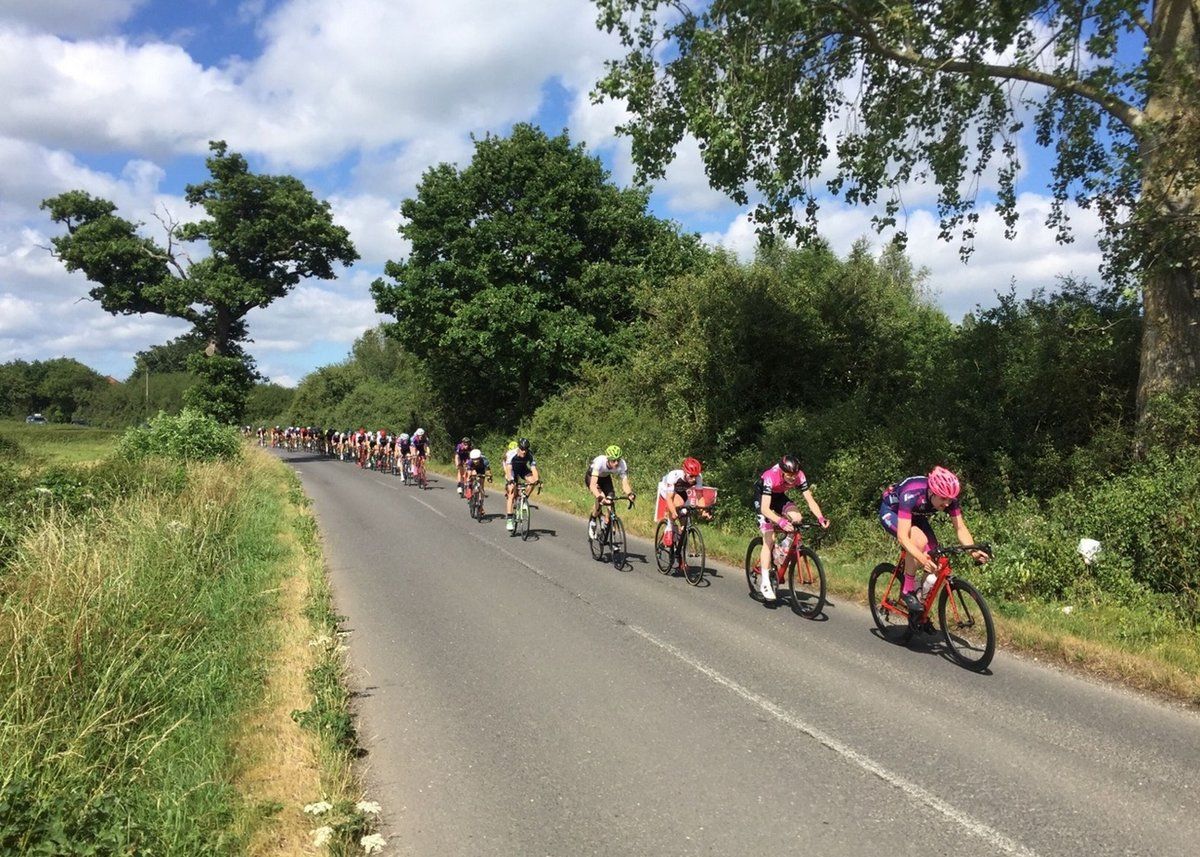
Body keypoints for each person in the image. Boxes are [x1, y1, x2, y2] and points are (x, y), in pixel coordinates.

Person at [879, 466, 988, 616]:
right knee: (918, 540)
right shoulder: (911, 493)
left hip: (916, 515)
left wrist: (973, 551)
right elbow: (903, 537)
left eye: (950, 499)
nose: (947, 503)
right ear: (931, 491)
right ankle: (907, 590)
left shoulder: (949, 498)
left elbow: (960, 528)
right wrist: (922, 559)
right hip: (892, 511)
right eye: (943, 498)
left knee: (935, 556)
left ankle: (919, 603)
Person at [753, 454, 829, 601]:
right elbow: (765, 509)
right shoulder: (771, 476)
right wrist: (780, 521)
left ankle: (782, 548)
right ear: (782, 471)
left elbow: (809, 499)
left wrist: (820, 517)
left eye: (794, 475)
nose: (792, 478)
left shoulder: (799, 476)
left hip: (779, 496)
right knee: (769, 537)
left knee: (797, 518)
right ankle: (765, 582)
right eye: (789, 475)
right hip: (762, 497)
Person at [656, 457, 711, 549]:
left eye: (695, 476)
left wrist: (703, 511)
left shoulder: (698, 477)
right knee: (677, 504)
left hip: (680, 491)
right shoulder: (674, 475)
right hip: (666, 489)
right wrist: (673, 511)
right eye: (691, 476)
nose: (693, 479)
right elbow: (669, 498)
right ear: (684, 472)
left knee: (684, 517)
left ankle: (679, 545)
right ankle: (669, 529)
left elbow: (699, 496)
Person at [586, 444, 635, 537]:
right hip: (592, 477)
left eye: (618, 460)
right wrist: (599, 497)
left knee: (610, 499)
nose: (616, 463)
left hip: (605, 478)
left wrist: (629, 494)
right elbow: (593, 485)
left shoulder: (622, 464)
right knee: (602, 497)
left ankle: (607, 522)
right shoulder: (600, 462)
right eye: (613, 460)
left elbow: (625, 483)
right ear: (608, 459)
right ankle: (593, 519)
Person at [504, 438, 541, 532]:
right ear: (518, 448)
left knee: (532, 481)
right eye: (522, 449)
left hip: (522, 469)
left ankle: (524, 499)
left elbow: (533, 469)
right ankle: (509, 520)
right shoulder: (511, 453)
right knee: (511, 492)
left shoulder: (530, 454)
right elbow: (508, 469)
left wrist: (537, 480)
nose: (524, 451)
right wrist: (510, 480)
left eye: (526, 449)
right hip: (512, 471)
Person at [465, 448, 492, 512]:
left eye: (477, 459)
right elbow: (468, 471)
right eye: (474, 459)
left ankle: (481, 505)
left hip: (481, 470)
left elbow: (488, 471)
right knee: (471, 475)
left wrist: (489, 477)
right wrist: (469, 478)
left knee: (481, 486)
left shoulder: (485, 460)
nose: (475, 461)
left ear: (480, 457)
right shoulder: (470, 462)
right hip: (473, 468)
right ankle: (469, 489)